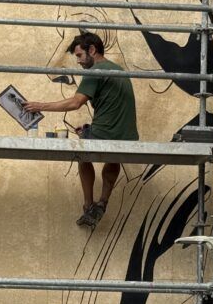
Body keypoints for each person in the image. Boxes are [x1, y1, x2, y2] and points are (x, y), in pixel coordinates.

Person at [24, 32, 139, 227]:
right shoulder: (119, 70)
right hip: (127, 136)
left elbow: (76, 102)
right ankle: (102, 202)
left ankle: (87, 205)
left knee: (81, 153)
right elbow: (114, 109)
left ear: (92, 50)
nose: (78, 61)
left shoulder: (95, 71)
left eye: (79, 55)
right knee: (113, 156)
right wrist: (89, 128)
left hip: (105, 133)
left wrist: (39, 106)